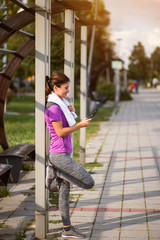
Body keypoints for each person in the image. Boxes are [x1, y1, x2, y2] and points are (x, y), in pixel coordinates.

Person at [45, 71, 95, 239]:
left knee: (64, 192)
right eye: (66, 88)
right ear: (56, 87)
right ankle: (54, 172)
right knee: (88, 182)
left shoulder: (60, 105)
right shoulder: (53, 107)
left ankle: (67, 229)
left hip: (63, 153)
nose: (68, 91)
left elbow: (66, 123)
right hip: (59, 155)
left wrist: (71, 111)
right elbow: (59, 132)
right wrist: (80, 125)